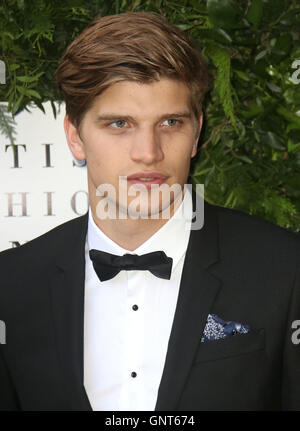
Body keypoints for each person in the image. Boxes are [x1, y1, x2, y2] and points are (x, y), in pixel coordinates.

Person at [0, 11, 299, 412]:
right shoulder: (11, 284)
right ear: (75, 137)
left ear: (196, 133)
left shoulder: (285, 269)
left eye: (170, 122)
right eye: (120, 124)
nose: (148, 152)